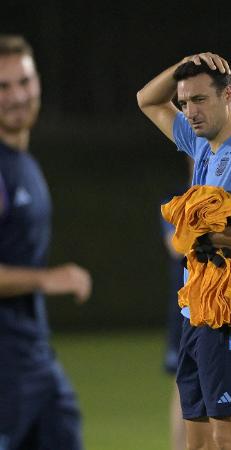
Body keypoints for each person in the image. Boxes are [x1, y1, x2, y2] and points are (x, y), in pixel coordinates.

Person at [137, 52, 231, 450]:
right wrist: (181, 66)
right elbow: (148, 100)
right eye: (185, 103)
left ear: (228, 95)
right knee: (200, 440)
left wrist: (208, 237)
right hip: (198, 311)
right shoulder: (201, 145)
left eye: (200, 100)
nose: (189, 112)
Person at [0, 35, 92, 449]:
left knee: (63, 425)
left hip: (29, 355)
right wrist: (45, 278)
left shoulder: (24, 163)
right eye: (3, 87)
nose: (18, 96)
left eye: (25, 81)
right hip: (5, 366)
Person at [161, 157, 193, 450]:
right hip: (187, 306)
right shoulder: (176, 201)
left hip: (227, 305)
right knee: (183, 382)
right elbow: (175, 246)